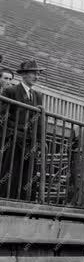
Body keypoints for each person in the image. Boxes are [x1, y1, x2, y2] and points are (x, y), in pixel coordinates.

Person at [0, 60, 45, 201]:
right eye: (33, 73)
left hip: (30, 142)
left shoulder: (38, 95)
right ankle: (6, 200)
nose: (36, 77)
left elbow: (38, 120)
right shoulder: (11, 91)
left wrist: (39, 140)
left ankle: (25, 202)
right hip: (14, 140)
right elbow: (2, 116)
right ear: (24, 75)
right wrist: (12, 133)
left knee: (28, 174)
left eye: (38, 74)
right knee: (10, 172)